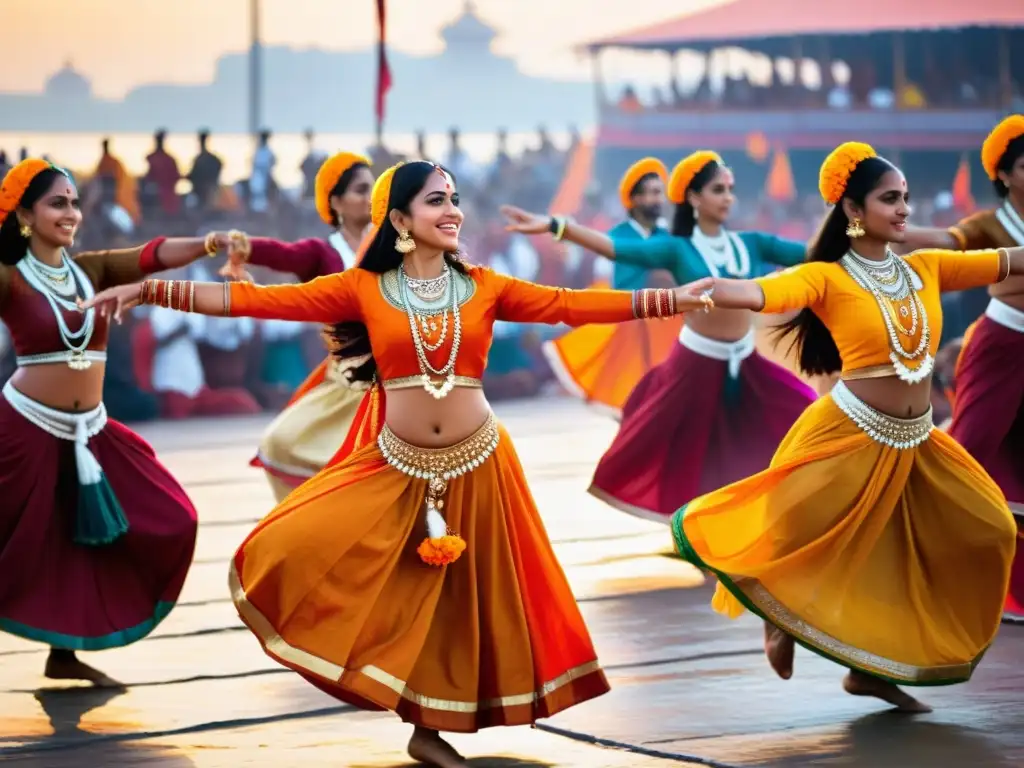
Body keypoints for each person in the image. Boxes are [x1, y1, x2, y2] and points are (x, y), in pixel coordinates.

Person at [82, 160, 714, 767]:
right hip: (397, 465)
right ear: (401, 220)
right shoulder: (362, 287)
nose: (453, 211)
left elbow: (571, 304)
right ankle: (407, 702)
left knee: (465, 604)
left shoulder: (483, 285)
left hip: (480, 465)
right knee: (352, 568)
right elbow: (254, 303)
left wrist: (672, 301)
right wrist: (151, 289)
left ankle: (430, 728)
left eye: (455, 199)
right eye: (436, 200)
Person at [669, 142, 1020, 712]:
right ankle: (777, 616)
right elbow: (766, 292)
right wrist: (709, 291)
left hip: (919, 441)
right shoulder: (825, 277)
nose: (905, 209)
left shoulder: (925, 267)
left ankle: (868, 672)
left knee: (989, 528)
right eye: (890, 199)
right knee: (809, 536)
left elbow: (1006, 261)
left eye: (906, 198)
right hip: (850, 435)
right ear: (854, 211)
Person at [0, 158, 225, 687]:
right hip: (22, 434)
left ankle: (65, 654)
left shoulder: (90, 270)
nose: (72, 212)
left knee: (163, 518)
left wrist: (208, 243)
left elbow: (150, 256)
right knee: (18, 544)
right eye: (58, 203)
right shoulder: (10, 277)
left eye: (75, 202)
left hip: (90, 434)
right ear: (25, 215)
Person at [502, 151, 816, 524]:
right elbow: (614, 248)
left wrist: (865, 232)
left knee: (803, 414)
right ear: (695, 198)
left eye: (730, 190)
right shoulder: (675, 247)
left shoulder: (752, 242)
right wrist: (558, 226)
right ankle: (701, 529)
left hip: (745, 361)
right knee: (688, 450)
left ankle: (754, 516)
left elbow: (813, 254)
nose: (729, 198)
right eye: (718, 190)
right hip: (696, 364)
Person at [900, 114, 1024, 620]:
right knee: (969, 451)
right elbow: (948, 242)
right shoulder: (990, 226)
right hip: (1001, 348)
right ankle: (904, 530)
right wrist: (879, 226)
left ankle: (1007, 587)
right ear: (1006, 175)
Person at [209, 151, 374, 501]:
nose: (370, 198)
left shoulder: (392, 244)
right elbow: (283, 254)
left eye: (373, 190)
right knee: (284, 443)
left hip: (395, 372)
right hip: (347, 379)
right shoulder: (323, 252)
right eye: (361, 190)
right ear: (336, 202)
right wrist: (242, 245)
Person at [542, 157, 684, 417]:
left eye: (659, 193)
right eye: (651, 193)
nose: (657, 200)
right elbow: (615, 278)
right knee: (634, 399)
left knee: (670, 398)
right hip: (632, 324)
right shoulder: (618, 236)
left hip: (666, 328)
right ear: (635, 199)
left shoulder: (666, 235)